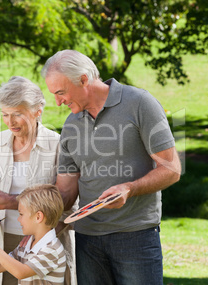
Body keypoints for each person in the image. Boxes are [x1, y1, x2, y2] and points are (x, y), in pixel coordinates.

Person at [40, 50, 181, 285]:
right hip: (87, 240)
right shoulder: (71, 124)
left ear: (84, 79)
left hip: (135, 237)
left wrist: (130, 188)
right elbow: (64, 193)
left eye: (61, 92)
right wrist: (20, 207)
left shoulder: (139, 103)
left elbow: (171, 169)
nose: (58, 101)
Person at [0, 76, 76, 285]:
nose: (10, 122)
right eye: (5, 114)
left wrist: (11, 202)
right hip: (1, 241)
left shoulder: (58, 145)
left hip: (44, 246)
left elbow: (67, 203)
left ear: (38, 111)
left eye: (17, 114)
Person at [0, 184, 67, 285]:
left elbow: (21, 272)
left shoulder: (52, 249)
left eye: (21, 214)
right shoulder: (26, 245)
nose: (18, 219)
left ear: (38, 217)